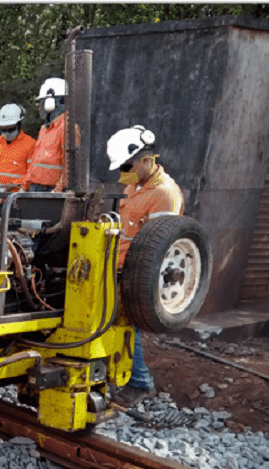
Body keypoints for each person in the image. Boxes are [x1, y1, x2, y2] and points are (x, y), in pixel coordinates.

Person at [106, 124, 185, 407]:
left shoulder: (165, 194)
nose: (122, 173)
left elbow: (155, 247)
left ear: (146, 160)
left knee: (126, 324)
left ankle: (140, 383)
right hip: (114, 263)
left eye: (126, 166)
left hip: (133, 271)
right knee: (106, 319)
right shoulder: (134, 183)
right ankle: (113, 374)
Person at [23, 78, 68, 192]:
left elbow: (71, 166)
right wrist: (25, 187)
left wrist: (57, 191)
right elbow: (35, 163)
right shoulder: (44, 129)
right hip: (36, 188)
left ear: (50, 102)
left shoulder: (66, 127)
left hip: (50, 191)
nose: (39, 108)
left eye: (41, 102)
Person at [0, 103, 36, 191]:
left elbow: (33, 174)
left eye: (10, 129)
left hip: (16, 199)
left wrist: (15, 184)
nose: (7, 132)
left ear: (19, 124)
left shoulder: (30, 144)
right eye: (3, 129)